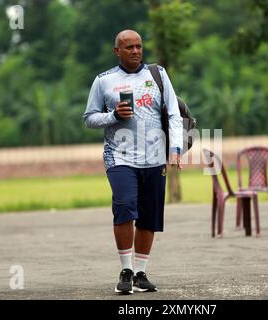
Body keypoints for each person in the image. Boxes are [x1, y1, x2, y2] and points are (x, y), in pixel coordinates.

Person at [83, 29, 183, 294]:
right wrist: (112, 115)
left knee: (149, 218)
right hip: (120, 156)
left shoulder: (158, 74)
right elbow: (89, 117)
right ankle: (126, 270)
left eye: (139, 46)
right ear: (117, 50)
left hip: (155, 157)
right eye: (129, 47)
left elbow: (173, 113)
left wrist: (175, 148)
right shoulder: (104, 81)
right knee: (126, 205)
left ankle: (140, 273)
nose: (136, 51)